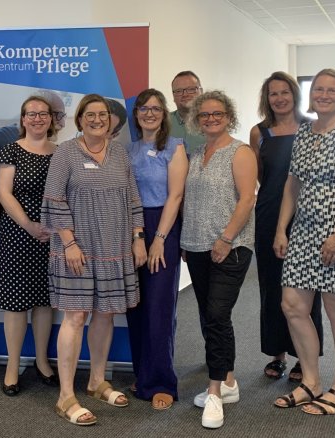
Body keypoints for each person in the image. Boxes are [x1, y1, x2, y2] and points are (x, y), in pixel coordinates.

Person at [273, 68, 335, 416]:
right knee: (292, 305)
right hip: (303, 231)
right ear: (311, 94)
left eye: (332, 90)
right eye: (319, 89)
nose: (324, 95)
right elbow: (292, 185)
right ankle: (311, 381)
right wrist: (281, 229)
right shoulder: (303, 132)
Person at [43, 93, 146, 426]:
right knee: (75, 317)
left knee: (105, 314)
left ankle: (96, 381)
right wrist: (69, 243)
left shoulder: (119, 153)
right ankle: (65, 396)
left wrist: (138, 237)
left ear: (111, 119)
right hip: (77, 250)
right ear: (79, 119)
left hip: (114, 248)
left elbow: (132, 198)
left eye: (102, 114)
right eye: (90, 114)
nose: (97, 119)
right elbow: (54, 200)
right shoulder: (65, 153)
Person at [180, 90, 257, 429]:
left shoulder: (239, 152)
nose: (211, 119)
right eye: (205, 115)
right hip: (196, 246)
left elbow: (247, 201)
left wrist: (226, 238)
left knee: (216, 314)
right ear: (197, 119)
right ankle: (227, 382)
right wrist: (186, 239)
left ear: (229, 116)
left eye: (218, 114)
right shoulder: (196, 153)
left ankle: (214, 393)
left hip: (232, 245)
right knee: (210, 315)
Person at [248, 72, 324, 383]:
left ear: (294, 94)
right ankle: (276, 354)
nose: (279, 98)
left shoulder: (313, 127)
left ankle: (301, 357)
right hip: (268, 213)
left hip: (307, 216)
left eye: (284, 92)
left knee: (307, 288)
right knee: (271, 285)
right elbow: (259, 173)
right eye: (272, 94)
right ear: (267, 99)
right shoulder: (259, 132)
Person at [124, 89, 188, 410]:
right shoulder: (128, 150)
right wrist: (137, 235)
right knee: (135, 306)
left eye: (156, 109)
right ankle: (143, 374)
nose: (150, 113)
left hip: (162, 225)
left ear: (164, 114)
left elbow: (175, 196)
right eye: (144, 109)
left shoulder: (174, 148)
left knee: (160, 306)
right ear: (136, 114)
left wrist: (159, 238)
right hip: (133, 229)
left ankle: (162, 381)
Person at [0, 96, 59, 397]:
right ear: (22, 119)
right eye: (30, 114)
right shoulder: (11, 151)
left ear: (51, 119)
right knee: (17, 303)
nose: (36, 119)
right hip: (18, 234)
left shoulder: (61, 153)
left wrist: (51, 228)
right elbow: (4, 194)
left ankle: (43, 362)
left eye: (42, 114)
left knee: (45, 301)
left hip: (53, 236)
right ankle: (12, 365)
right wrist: (30, 226)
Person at [0, 89, 67, 159]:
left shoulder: (55, 150)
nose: (63, 124)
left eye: (62, 116)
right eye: (57, 114)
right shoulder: (2, 138)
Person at [169, 71, 206, 157]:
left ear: (201, 92)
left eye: (191, 89)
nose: (185, 94)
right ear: (173, 96)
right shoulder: (162, 122)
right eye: (179, 91)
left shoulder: (212, 122)